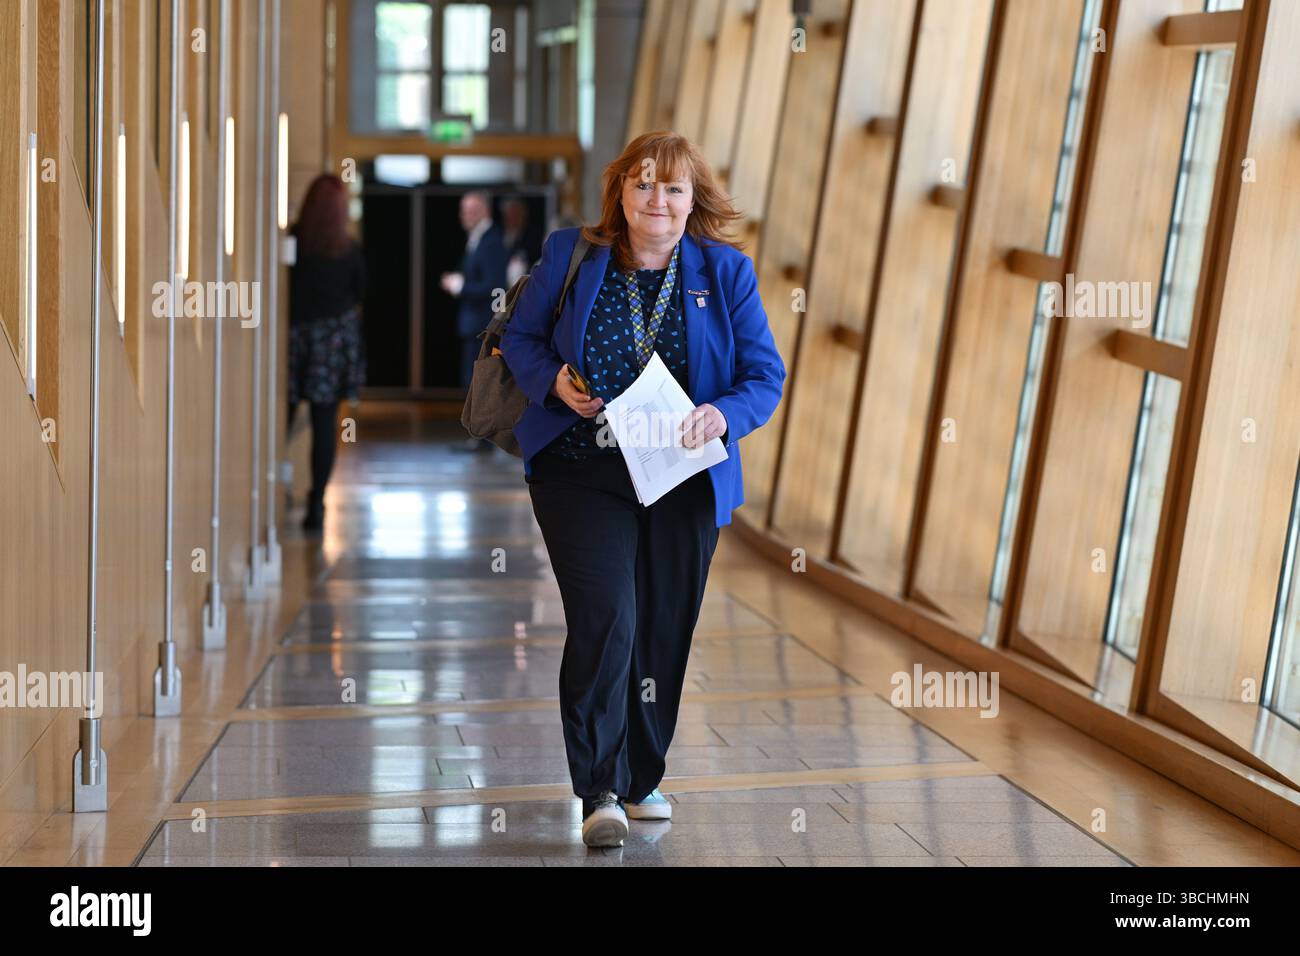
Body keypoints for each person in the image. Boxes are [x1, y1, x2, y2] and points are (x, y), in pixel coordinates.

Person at [499, 130, 786, 848]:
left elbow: (764, 377)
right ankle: (600, 786)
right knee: (608, 617)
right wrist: (551, 382)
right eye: (645, 183)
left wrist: (723, 413)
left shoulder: (726, 273)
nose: (658, 199)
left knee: (663, 625)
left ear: (693, 201)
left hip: (682, 476)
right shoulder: (572, 255)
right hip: (580, 469)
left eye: (674, 187)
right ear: (621, 192)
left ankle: (641, 775)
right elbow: (520, 341)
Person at [288, 173, 366, 532]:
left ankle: (274, 482)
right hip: (332, 344)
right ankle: (316, 503)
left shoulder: (293, 241)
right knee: (324, 424)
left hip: (294, 339)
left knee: (281, 418)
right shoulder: (348, 249)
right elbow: (360, 292)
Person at [442, 189, 509, 392]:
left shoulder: (491, 241)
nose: (464, 216)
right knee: (471, 383)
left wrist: (461, 286)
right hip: (474, 323)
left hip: (483, 325)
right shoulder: (477, 238)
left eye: (470, 211)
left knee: (478, 385)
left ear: (484, 211)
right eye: (463, 211)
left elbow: (494, 286)